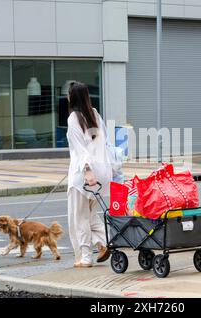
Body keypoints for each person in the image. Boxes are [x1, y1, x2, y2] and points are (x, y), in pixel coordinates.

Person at [66, 81, 112, 268]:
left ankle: (85, 257)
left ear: (72, 97)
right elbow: (101, 143)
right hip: (102, 172)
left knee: (79, 217)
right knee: (91, 216)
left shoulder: (73, 118)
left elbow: (81, 148)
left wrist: (86, 170)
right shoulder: (95, 114)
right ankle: (102, 243)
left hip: (84, 176)